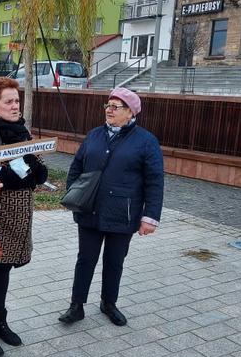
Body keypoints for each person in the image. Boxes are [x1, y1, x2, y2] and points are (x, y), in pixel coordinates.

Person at [58, 88, 163, 327]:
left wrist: (150, 217)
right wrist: (74, 193)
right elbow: (76, 167)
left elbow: (155, 181)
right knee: (85, 259)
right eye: (108, 105)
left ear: (130, 113)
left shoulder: (146, 141)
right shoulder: (94, 135)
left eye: (116, 106)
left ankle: (108, 303)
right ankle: (76, 305)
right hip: (90, 210)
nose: (109, 110)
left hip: (123, 214)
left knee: (114, 261)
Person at [0, 77, 48, 357]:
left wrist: (34, 169)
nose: (15, 106)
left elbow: (38, 169)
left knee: (4, 269)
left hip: (18, 215)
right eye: (9, 101)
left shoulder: (21, 130)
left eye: (17, 101)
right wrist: (19, 174)